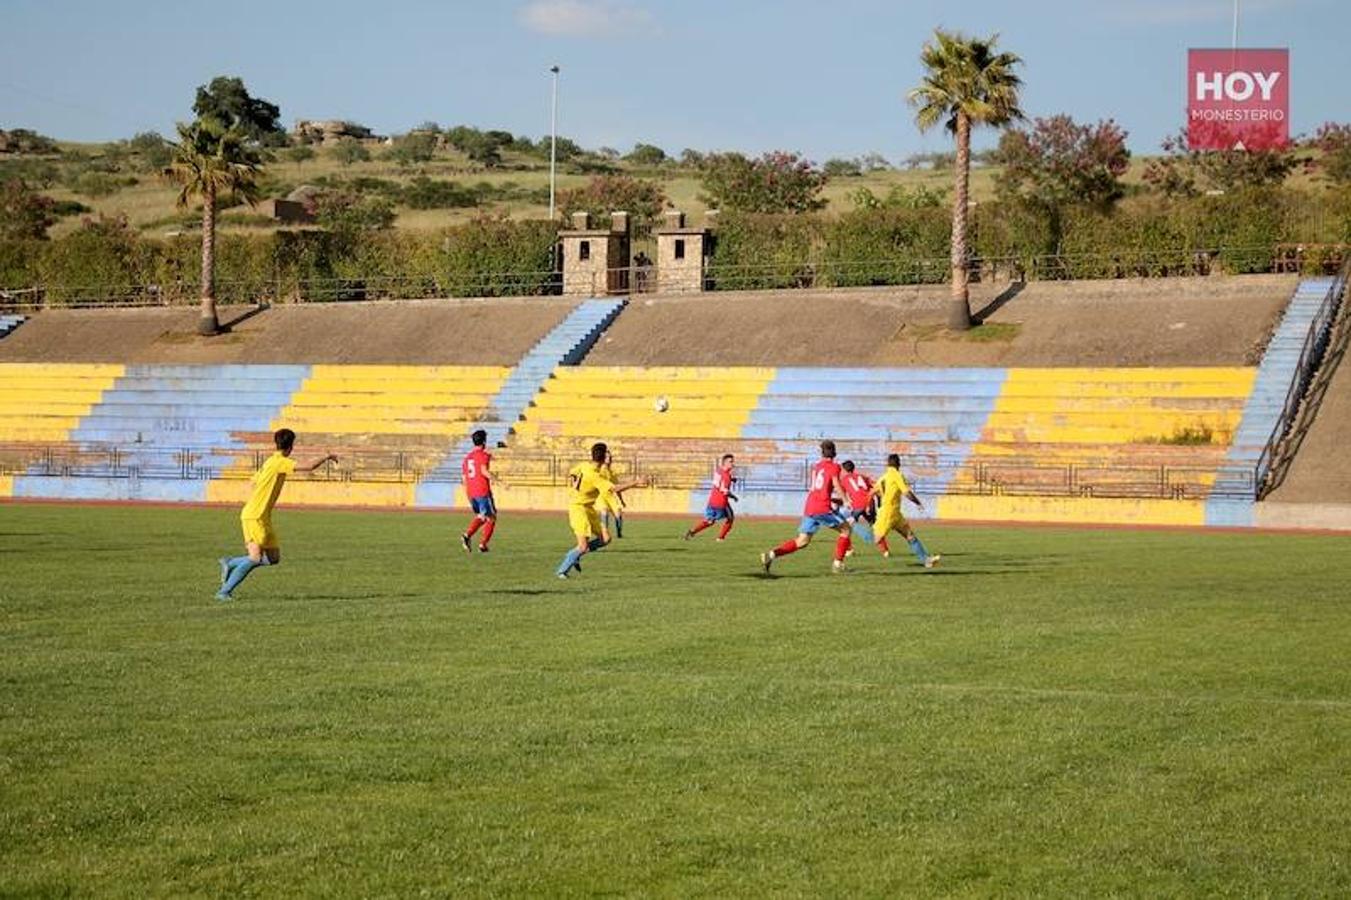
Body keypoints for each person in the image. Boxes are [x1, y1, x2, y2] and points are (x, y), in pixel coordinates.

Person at [216, 429, 336, 601]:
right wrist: (327, 456)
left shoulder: (270, 461)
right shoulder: (279, 462)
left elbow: (253, 481)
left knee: (273, 558)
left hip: (262, 516)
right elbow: (308, 467)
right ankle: (224, 592)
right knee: (255, 558)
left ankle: (232, 563)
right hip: (255, 516)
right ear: (291, 446)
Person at [760, 440, 853, 575]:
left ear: (822, 453)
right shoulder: (834, 467)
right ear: (834, 452)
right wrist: (846, 500)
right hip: (822, 507)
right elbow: (836, 484)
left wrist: (835, 499)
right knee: (846, 530)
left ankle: (771, 555)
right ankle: (838, 564)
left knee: (802, 541)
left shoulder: (816, 466)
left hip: (810, 506)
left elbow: (820, 487)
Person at [555, 442, 644, 579]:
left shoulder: (585, 466)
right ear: (603, 459)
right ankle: (562, 571)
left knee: (605, 539)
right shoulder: (595, 476)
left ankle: (577, 554)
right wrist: (636, 482)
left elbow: (572, 472)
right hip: (578, 509)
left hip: (588, 507)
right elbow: (614, 489)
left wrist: (574, 482)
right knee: (583, 546)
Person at [870, 453, 940, 569]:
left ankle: (926, 560)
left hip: (895, 513)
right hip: (889, 513)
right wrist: (918, 502)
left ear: (888, 464)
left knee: (910, 535)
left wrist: (879, 502)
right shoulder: (897, 475)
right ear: (899, 464)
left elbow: (875, 491)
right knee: (876, 539)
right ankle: (856, 533)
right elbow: (906, 492)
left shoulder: (883, 477)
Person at [460, 429, 497, 554]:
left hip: (471, 493)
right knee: (491, 517)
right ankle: (477, 541)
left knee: (483, 516)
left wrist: (468, 494)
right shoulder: (483, 455)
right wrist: (498, 480)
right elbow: (483, 471)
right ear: (484, 441)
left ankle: (479, 542)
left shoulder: (467, 458)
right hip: (482, 491)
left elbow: (464, 478)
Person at [684, 453, 738, 542]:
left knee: (709, 521)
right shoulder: (726, 476)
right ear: (725, 463)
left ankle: (692, 531)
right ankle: (720, 538)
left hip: (712, 501)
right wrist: (734, 497)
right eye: (730, 462)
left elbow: (719, 481)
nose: (733, 463)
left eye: (733, 461)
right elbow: (724, 490)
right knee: (730, 518)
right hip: (721, 503)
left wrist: (732, 479)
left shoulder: (718, 471)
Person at [839, 460, 877, 546]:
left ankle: (849, 549)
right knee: (875, 525)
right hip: (869, 502)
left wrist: (831, 499)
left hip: (857, 505)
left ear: (844, 470)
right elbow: (875, 486)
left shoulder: (844, 480)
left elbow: (841, 496)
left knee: (847, 526)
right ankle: (885, 551)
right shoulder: (862, 476)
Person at [598, 449, 625, 539]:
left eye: (610, 457)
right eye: (607, 457)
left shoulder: (612, 472)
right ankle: (605, 532)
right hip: (601, 496)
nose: (609, 459)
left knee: (618, 513)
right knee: (604, 511)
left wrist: (621, 500)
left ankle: (619, 533)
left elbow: (617, 487)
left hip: (611, 496)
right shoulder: (599, 470)